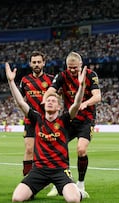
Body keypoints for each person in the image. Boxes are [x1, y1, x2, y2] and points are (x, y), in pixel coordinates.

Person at [6, 62, 89, 202]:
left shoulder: (65, 120)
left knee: (73, 200)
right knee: (16, 198)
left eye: (53, 101)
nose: (50, 102)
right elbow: (20, 102)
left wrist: (81, 86)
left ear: (58, 106)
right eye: (48, 100)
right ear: (44, 105)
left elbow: (76, 104)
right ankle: (32, 190)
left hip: (60, 170)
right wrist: (11, 81)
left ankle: (80, 192)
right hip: (38, 170)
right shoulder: (37, 119)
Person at [44, 51, 101, 196]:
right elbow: (51, 89)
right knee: (56, 147)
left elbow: (97, 96)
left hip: (86, 119)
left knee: (81, 150)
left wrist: (85, 104)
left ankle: (81, 184)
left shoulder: (90, 75)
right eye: (70, 67)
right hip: (69, 118)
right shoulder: (62, 76)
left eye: (75, 67)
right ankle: (58, 184)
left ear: (81, 65)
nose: (72, 70)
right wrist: (46, 99)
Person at [19, 51, 54, 176]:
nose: (37, 64)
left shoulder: (51, 80)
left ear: (44, 63)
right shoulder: (25, 80)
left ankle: (53, 179)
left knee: (48, 152)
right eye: (34, 62)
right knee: (29, 149)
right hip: (30, 120)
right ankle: (27, 181)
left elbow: (57, 98)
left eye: (39, 62)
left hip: (47, 120)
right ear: (30, 64)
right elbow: (21, 99)